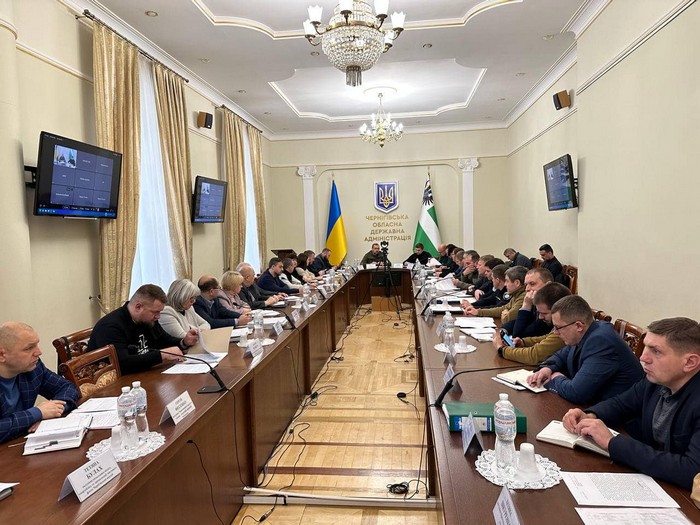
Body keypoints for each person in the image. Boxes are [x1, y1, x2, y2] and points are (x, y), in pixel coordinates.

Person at [562, 317, 700, 490]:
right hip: (655, 479)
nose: (643, 357)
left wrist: (612, 442)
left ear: (689, 362)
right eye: (646, 347)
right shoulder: (655, 380)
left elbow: (691, 471)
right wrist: (590, 415)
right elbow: (622, 404)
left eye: (656, 351)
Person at [527, 295, 644, 404]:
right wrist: (547, 369)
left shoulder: (601, 342)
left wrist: (556, 378)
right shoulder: (586, 332)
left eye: (558, 327)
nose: (555, 332)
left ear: (579, 326)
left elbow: (576, 393)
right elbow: (561, 355)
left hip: (617, 414)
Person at [89, 284, 197, 375]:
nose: (158, 316)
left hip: (145, 374)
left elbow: (164, 340)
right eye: (155, 312)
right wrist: (162, 355)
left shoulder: (148, 320)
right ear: (138, 307)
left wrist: (184, 342)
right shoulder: (110, 326)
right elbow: (122, 363)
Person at [0, 322, 80, 443]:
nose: (39, 352)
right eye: (29, 348)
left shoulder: (33, 367)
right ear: (2, 355)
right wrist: (37, 413)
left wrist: (53, 411)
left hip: (24, 441)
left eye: (36, 345)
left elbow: (67, 387)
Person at [493, 283, 570, 365]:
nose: (540, 317)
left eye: (544, 313)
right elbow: (547, 338)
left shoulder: (565, 328)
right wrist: (523, 342)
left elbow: (534, 355)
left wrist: (501, 349)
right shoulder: (557, 323)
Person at [462, 265, 528, 323]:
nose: (505, 284)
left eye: (507, 281)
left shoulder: (523, 296)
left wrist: (505, 315)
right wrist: (478, 312)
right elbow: (502, 309)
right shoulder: (516, 294)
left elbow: (507, 319)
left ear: (517, 283)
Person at [501, 268, 554, 338]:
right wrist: (504, 330)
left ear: (548, 285)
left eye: (532, 284)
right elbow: (521, 322)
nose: (527, 289)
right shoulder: (535, 300)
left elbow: (518, 335)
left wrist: (526, 305)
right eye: (526, 285)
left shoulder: (551, 306)